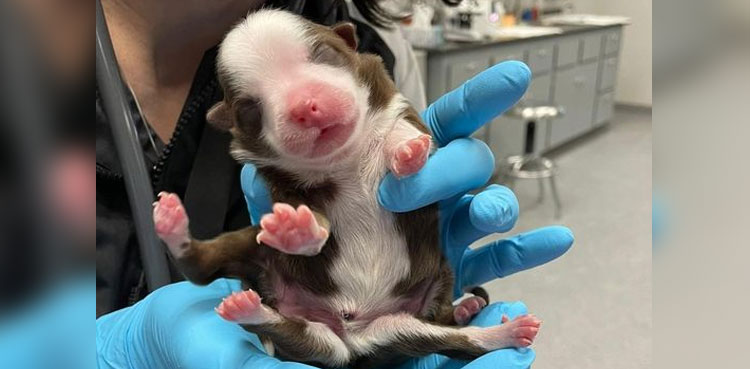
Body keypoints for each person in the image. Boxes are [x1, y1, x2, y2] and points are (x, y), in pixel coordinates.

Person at [96, 0, 574, 368]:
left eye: (319, 58)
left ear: (347, 46)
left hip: (388, 300)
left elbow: (406, 139)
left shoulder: (378, 39)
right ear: (235, 126)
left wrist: (413, 160)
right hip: (297, 324)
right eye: (256, 107)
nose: (304, 103)